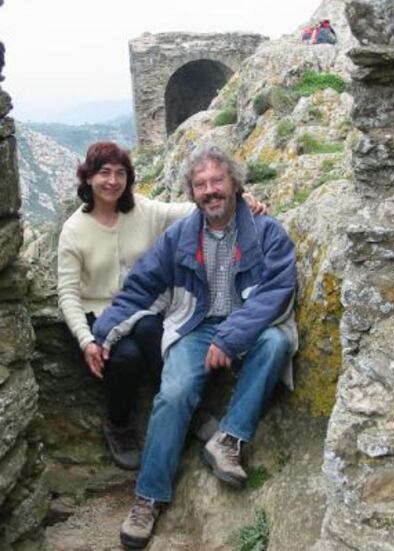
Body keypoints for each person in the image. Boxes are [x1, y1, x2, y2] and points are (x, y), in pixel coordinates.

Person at [93, 146, 297, 549]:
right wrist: (101, 335)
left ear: (236, 184)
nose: (209, 191)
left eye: (217, 181)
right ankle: (148, 498)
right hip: (196, 324)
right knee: (172, 394)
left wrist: (231, 336)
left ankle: (228, 439)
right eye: (200, 184)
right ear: (192, 192)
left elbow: (274, 292)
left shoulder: (267, 232)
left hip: (247, 326)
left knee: (277, 341)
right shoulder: (181, 236)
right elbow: (141, 287)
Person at [57, 141, 266, 471]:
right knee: (125, 356)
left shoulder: (142, 210)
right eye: (104, 173)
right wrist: (86, 341)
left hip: (144, 305)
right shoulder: (73, 230)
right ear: (88, 178)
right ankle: (119, 425)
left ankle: (185, 405)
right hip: (98, 315)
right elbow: (68, 294)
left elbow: (189, 210)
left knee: (152, 327)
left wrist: (240, 201)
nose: (112, 181)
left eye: (120, 173)